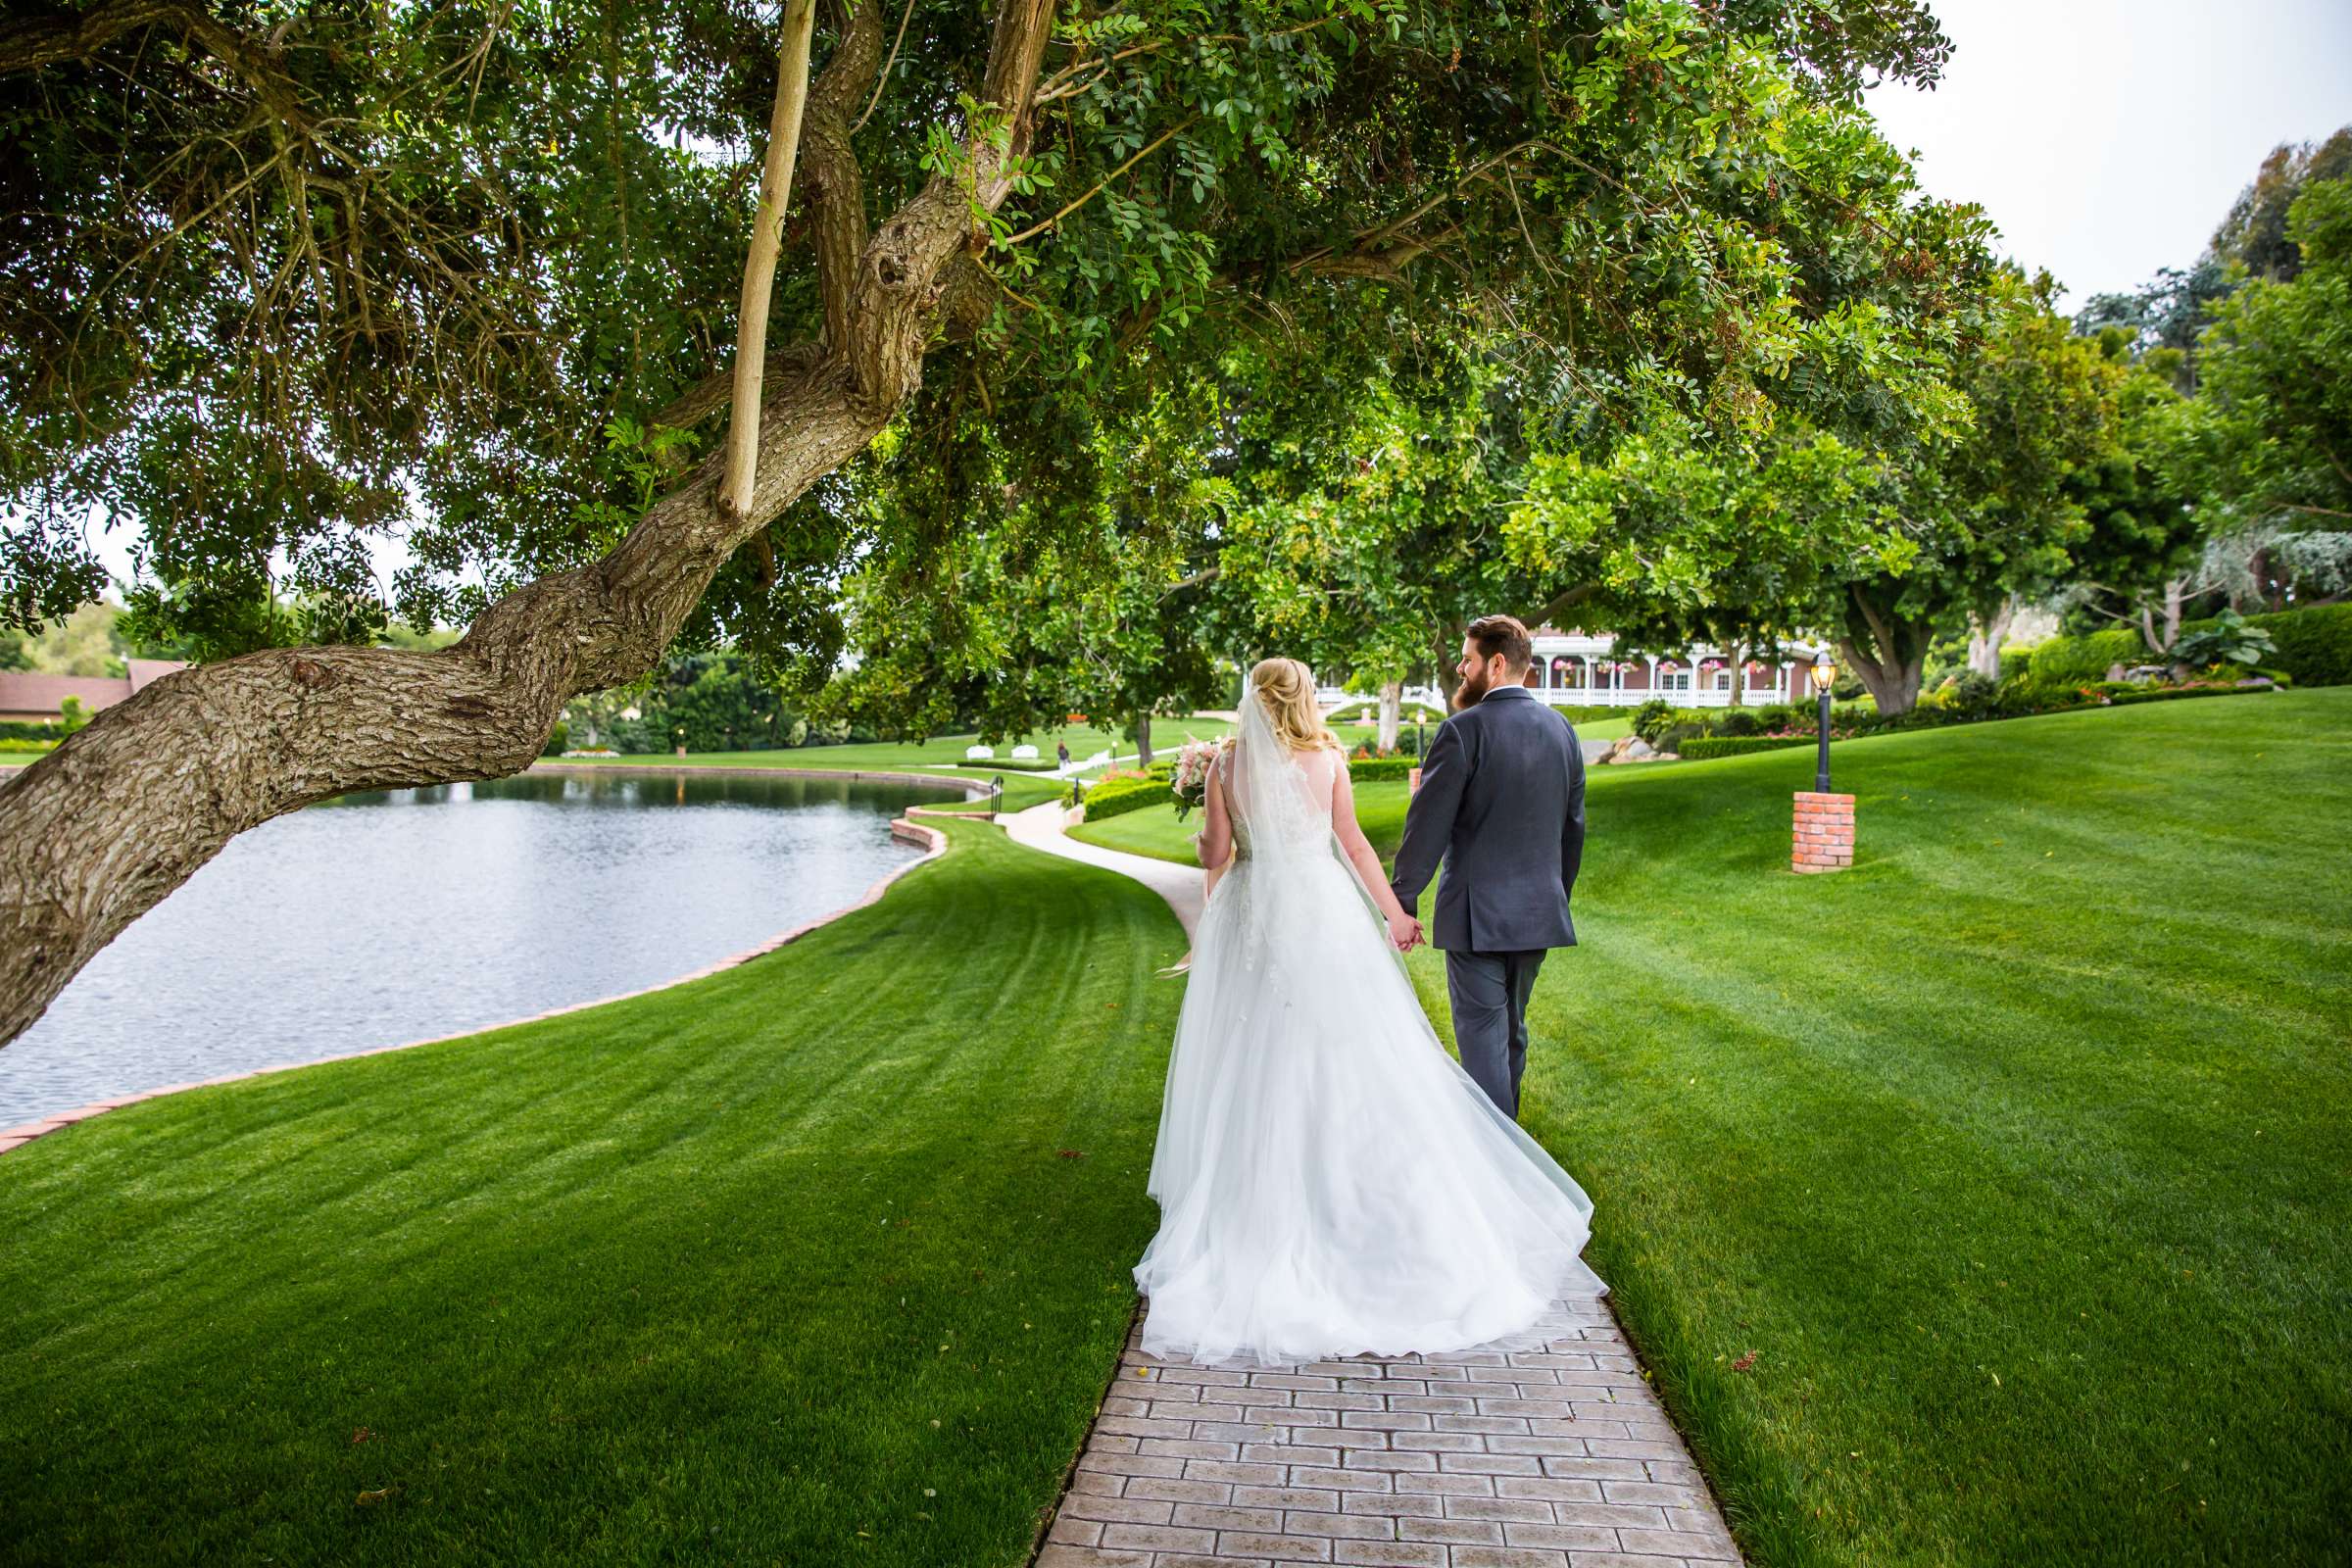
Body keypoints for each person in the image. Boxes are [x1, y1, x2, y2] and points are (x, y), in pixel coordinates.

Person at [1133, 656, 1603, 1367]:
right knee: (1348, 1051)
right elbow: (1352, 844)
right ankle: (1360, 1197)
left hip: (1252, 913)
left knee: (1249, 1053)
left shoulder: (1226, 766)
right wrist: (1394, 916)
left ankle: (1254, 1208)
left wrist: (1204, 839)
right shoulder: (1328, 760)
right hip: (1323, 914)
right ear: (1306, 699)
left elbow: (1219, 852)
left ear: (1253, 701)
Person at [1389, 614, 1585, 1121]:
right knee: (1512, 1034)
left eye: (1468, 658)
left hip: (1476, 920)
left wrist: (1402, 900)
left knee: (1483, 1045)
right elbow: (1573, 830)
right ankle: (1511, 1150)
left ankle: (1499, 1166)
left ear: (1495, 665)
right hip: (1539, 913)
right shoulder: (1563, 732)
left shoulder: (1461, 732)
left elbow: (1426, 827)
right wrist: (1553, 894)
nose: (1460, 666)